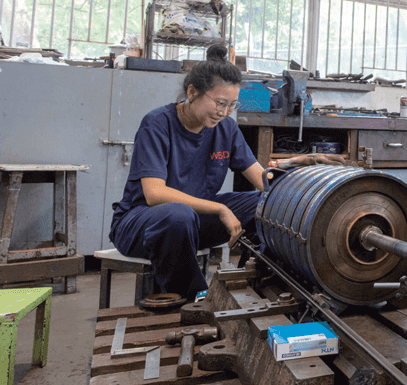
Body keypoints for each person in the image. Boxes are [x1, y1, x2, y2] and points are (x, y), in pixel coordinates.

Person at [109, 43, 345, 298]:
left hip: (193, 223)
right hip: (143, 224)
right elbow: (154, 194)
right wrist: (221, 209)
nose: (224, 112)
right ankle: (192, 299)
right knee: (178, 215)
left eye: (232, 105)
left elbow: (260, 179)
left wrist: (300, 181)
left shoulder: (226, 129)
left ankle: (267, 284)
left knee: (267, 203)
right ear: (192, 92)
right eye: (220, 103)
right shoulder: (157, 123)